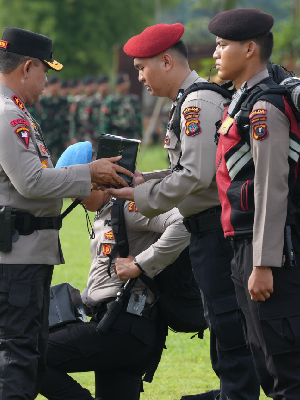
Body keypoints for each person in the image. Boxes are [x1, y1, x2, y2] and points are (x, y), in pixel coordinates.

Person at [0, 27, 132, 399]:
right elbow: (31, 182)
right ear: (27, 67)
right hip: (9, 260)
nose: (45, 81)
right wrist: (89, 173)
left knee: (28, 360)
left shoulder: (12, 110)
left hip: (20, 254)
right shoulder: (6, 113)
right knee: (16, 362)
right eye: (44, 72)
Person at [106, 22, 260, 400]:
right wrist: (144, 179)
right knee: (225, 329)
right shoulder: (191, 100)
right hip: (210, 230)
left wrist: (139, 197)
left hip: (217, 232)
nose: (140, 76)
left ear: (166, 60)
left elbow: (195, 176)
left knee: (229, 330)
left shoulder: (196, 102)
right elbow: (189, 169)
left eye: (143, 67)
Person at [210, 9, 300, 399]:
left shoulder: (265, 108)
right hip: (246, 246)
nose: (215, 54)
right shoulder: (242, 101)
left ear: (250, 48)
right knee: (264, 364)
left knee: (286, 371)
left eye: (223, 45)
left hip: (270, 254)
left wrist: (263, 263)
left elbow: (272, 188)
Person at [39, 142, 190, 400]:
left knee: (32, 355)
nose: (74, 198)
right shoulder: (105, 212)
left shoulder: (130, 207)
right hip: (121, 326)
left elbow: (183, 222)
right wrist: (86, 298)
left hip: (125, 326)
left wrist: (141, 264)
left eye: (76, 188)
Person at [35, 75, 70, 160]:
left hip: (62, 140)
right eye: (52, 85)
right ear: (49, 86)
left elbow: (69, 120)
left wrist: (69, 137)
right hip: (47, 139)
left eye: (57, 84)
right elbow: (38, 121)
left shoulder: (64, 101)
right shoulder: (43, 102)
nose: (55, 87)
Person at [101, 73, 143, 140]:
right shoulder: (111, 101)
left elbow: (138, 118)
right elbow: (105, 120)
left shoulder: (134, 100)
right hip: (116, 135)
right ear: (119, 85)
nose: (128, 83)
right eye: (125, 82)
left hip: (131, 136)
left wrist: (140, 135)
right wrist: (105, 137)